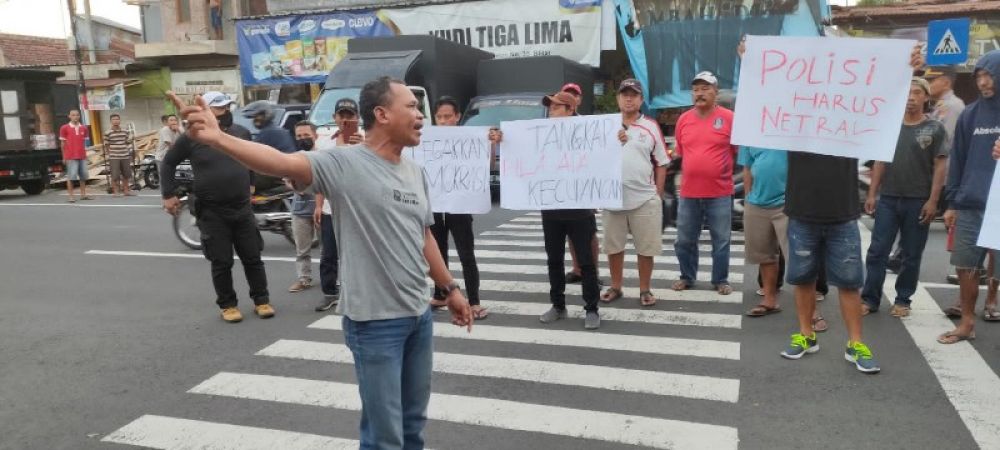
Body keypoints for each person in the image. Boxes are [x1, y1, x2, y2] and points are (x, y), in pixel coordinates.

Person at [168, 77, 472, 449]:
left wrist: (450, 288)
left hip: (418, 315)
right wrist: (218, 139)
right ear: (381, 114)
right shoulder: (344, 163)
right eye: (410, 106)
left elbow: (423, 235)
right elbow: (281, 161)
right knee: (385, 436)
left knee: (412, 425)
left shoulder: (415, 172)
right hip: (375, 322)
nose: (420, 115)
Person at [160, 91, 273, 323]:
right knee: (222, 262)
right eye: (219, 108)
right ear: (207, 110)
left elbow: (250, 157)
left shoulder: (241, 132)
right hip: (212, 211)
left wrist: (251, 182)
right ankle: (228, 305)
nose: (225, 111)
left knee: (253, 257)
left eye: (227, 107)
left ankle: (261, 300)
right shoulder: (193, 137)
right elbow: (168, 163)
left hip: (242, 207)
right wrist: (168, 195)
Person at [493, 91, 601, 329]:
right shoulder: (540, 134)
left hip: (579, 208)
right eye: (550, 108)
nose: (551, 111)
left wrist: (619, 137)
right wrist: (503, 138)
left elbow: (606, 150)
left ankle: (592, 308)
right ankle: (558, 305)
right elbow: (520, 148)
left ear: (570, 110)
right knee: (554, 260)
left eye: (556, 107)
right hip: (551, 207)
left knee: (586, 261)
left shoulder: (587, 131)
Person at [861, 78, 948, 317]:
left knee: (911, 254)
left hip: (918, 200)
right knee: (877, 251)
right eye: (907, 92)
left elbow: (940, 166)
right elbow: (880, 161)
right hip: (888, 199)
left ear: (926, 97)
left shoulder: (935, 128)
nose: (911, 97)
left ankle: (903, 300)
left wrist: (933, 201)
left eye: (917, 92)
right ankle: (869, 298)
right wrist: (872, 193)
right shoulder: (889, 125)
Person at [938, 50, 1000, 344]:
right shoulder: (970, 114)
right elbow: (958, 160)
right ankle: (966, 322)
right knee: (965, 265)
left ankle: (991, 302)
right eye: (979, 76)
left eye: (990, 75)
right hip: (972, 203)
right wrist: (952, 202)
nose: (984, 82)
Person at [599, 79, 668, 307]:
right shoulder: (604, 125)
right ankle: (616, 286)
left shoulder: (650, 126)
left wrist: (657, 194)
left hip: (644, 198)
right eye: (624, 94)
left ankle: (645, 289)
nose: (628, 98)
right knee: (613, 247)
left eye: (634, 95)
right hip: (612, 198)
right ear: (617, 98)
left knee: (646, 248)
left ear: (641, 99)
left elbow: (662, 162)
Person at [672, 71, 737, 295]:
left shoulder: (729, 118)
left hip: (720, 192)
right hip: (689, 192)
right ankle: (687, 276)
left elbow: (737, 151)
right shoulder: (683, 120)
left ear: (716, 92)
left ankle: (720, 279)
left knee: (721, 240)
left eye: (705, 89)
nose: (699, 93)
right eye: (696, 89)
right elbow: (681, 152)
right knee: (684, 240)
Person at [428, 96, 488, 320]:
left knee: (466, 254)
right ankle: (440, 293)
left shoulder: (470, 139)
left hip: (460, 204)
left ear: (457, 116)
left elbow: (485, 165)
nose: (444, 121)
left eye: (448, 116)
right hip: (435, 204)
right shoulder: (427, 140)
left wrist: (490, 142)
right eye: (439, 117)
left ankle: (474, 300)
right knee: (437, 251)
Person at [313, 98, 363, 312]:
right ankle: (329, 293)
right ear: (334, 117)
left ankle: (359, 291)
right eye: (341, 115)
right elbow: (320, 176)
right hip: (330, 208)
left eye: (350, 115)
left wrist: (363, 147)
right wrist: (318, 205)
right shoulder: (324, 143)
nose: (345, 120)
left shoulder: (367, 141)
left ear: (357, 118)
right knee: (329, 253)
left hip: (358, 209)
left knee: (359, 252)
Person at [558, 82, 603, 285]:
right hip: (561, 189)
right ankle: (577, 269)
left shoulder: (588, 124)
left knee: (590, 233)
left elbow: (599, 155)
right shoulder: (550, 124)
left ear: (579, 100)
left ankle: (593, 271)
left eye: (574, 95)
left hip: (583, 188)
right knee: (570, 232)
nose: (571, 97)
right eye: (567, 94)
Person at [740, 145, 789, 317]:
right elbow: (747, 167)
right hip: (757, 203)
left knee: (800, 259)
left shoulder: (791, 130)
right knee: (765, 256)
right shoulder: (749, 134)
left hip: (789, 203)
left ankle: (812, 313)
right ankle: (769, 301)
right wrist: (748, 197)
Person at [287, 121, 319, 294]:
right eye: (299, 136)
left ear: (315, 135)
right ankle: (304, 279)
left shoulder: (323, 156)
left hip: (322, 210)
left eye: (306, 135)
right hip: (300, 209)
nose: (303, 139)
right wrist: (295, 187)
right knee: (302, 249)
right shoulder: (293, 157)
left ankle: (334, 279)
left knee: (330, 249)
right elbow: (287, 180)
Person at [59, 109, 92, 202]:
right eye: (73, 115)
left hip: (82, 156)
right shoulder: (64, 128)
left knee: (83, 176)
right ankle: (71, 196)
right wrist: (64, 157)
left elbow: (85, 143)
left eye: (77, 115)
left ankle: (83, 194)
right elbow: (63, 144)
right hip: (70, 156)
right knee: (71, 177)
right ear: (69, 116)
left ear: (79, 116)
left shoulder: (84, 128)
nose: (75, 117)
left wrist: (86, 155)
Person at [103, 113, 135, 197]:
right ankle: (116, 192)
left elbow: (127, 141)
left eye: (117, 119)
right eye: (114, 119)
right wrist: (109, 154)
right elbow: (106, 144)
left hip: (125, 155)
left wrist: (131, 138)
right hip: (114, 156)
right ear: (110, 121)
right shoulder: (107, 132)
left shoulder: (125, 131)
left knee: (126, 174)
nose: (116, 121)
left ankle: (126, 191)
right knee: (115, 175)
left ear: (120, 120)